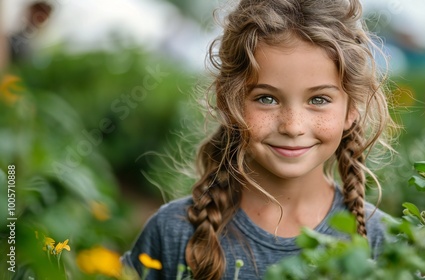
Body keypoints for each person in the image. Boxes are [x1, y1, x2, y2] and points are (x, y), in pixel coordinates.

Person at [122, 0, 395, 279]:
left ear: (351, 109)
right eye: (267, 98)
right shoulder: (173, 233)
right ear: (229, 103)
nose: (292, 126)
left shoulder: (387, 246)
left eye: (318, 99)